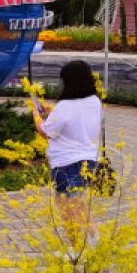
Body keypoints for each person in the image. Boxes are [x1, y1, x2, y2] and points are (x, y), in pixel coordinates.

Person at [33, 60, 102, 197]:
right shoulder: (95, 101)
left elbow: (46, 132)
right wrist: (50, 114)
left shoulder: (65, 106)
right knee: (78, 208)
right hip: (90, 161)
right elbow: (76, 119)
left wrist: (36, 114)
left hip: (68, 164)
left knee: (69, 211)